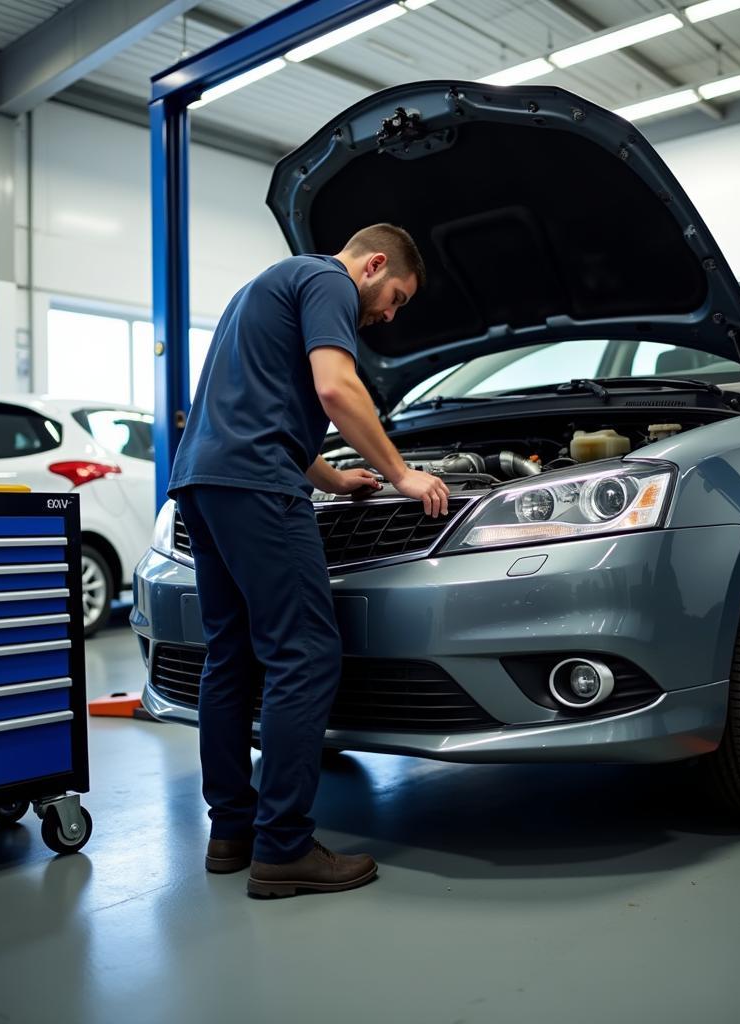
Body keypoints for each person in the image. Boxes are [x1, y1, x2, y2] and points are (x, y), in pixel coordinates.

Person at [169, 224, 449, 898]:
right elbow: (335, 389)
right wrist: (402, 473)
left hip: (203, 484)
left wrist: (331, 480)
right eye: (397, 298)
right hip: (259, 488)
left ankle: (232, 832)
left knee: (231, 656)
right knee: (306, 652)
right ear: (374, 263)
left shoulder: (262, 288)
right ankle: (285, 848)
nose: (386, 315)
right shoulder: (327, 279)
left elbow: (260, 407)